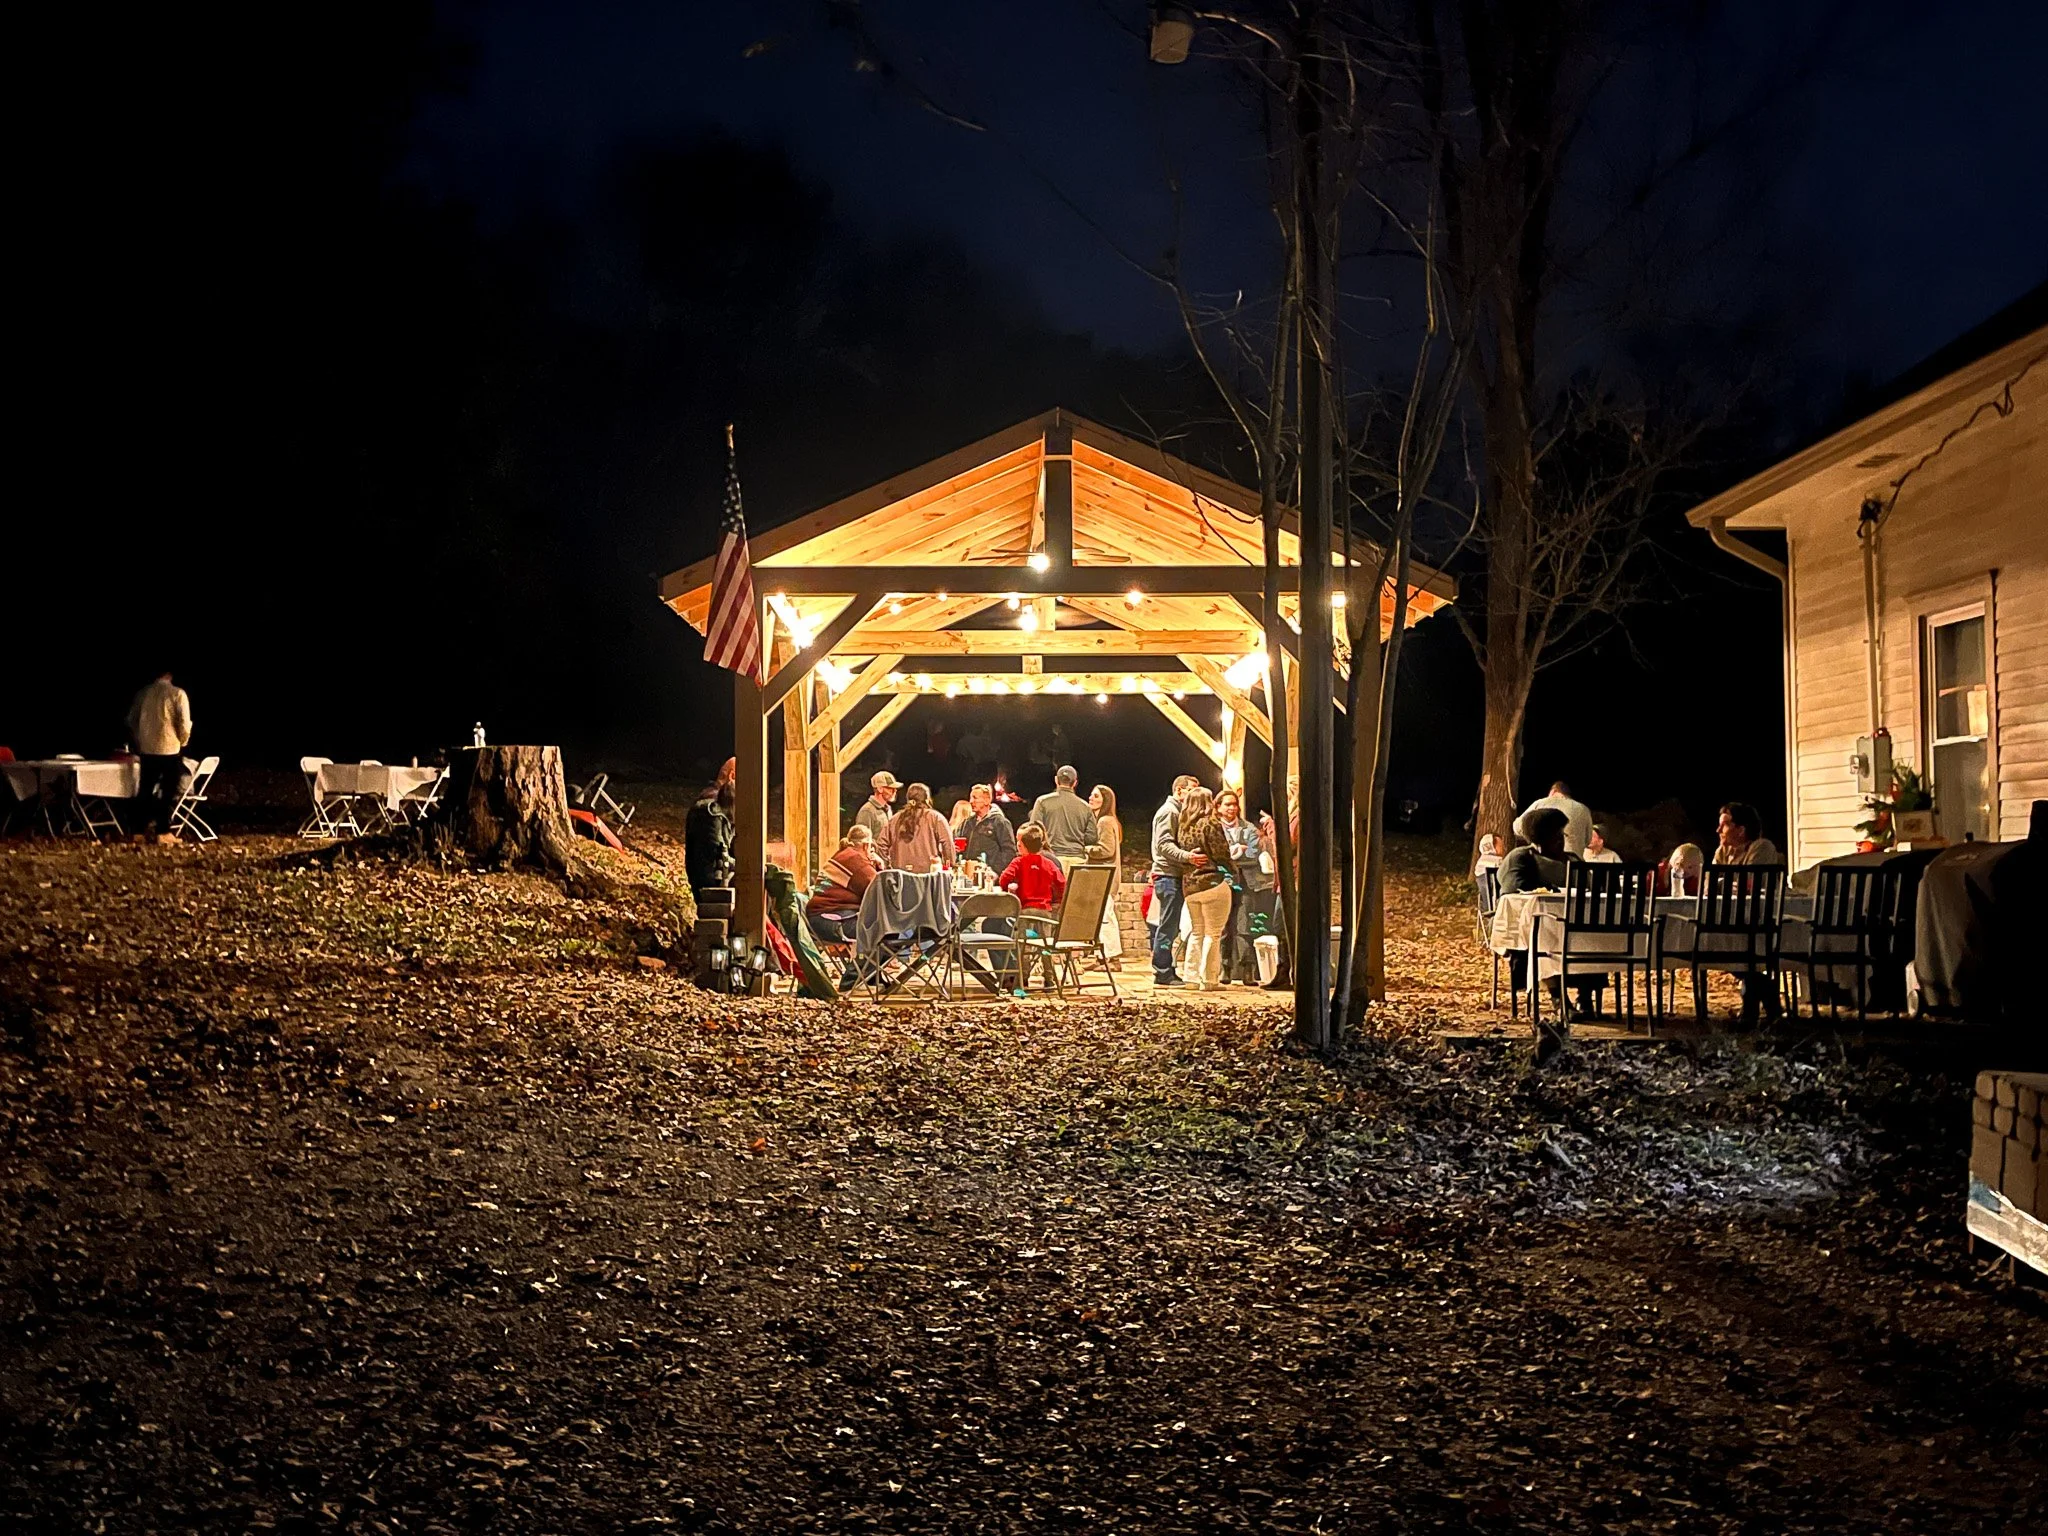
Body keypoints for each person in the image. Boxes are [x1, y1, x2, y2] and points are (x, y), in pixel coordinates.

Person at [1176, 787, 1236, 991]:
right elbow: (1221, 852)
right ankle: (1209, 980)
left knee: (1196, 931)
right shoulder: (1210, 823)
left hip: (1190, 886)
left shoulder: (1183, 826)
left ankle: (1191, 978)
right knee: (1213, 933)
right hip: (1211, 882)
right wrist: (1233, 871)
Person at [125, 671, 194, 840]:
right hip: (169, 748)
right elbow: (184, 722)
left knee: (145, 790)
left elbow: (131, 720)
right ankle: (163, 830)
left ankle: (138, 830)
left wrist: (139, 739)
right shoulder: (177, 693)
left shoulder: (143, 693)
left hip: (147, 749)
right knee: (168, 790)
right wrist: (182, 741)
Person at [1149, 774, 1203, 986]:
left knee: (1170, 926)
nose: (1194, 796)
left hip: (1173, 875)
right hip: (1167, 876)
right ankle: (1162, 971)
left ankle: (1166, 969)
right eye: (1191, 790)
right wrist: (1188, 856)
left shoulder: (1176, 812)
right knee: (1167, 926)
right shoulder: (1169, 812)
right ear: (1179, 790)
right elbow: (1164, 845)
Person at [1216, 789, 1261, 984]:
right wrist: (1235, 850)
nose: (1232, 808)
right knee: (1225, 926)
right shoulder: (1215, 827)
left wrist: (1236, 854)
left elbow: (1253, 853)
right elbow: (1218, 854)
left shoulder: (1248, 828)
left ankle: (1247, 968)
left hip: (1247, 882)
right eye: (1227, 804)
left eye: (1234, 804)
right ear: (1218, 807)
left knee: (1245, 926)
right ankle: (1225, 967)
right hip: (1224, 881)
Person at [806, 826, 877, 943]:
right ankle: (872, 962)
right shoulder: (855, 860)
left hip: (821, 919)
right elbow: (880, 890)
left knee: (885, 928)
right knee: (889, 931)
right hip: (832, 921)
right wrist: (880, 866)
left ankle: (870, 961)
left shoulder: (844, 855)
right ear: (866, 846)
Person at [1028, 764, 1099, 864]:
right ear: (1075, 783)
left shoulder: (1042, 802)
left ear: (1056, 780)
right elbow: (1092, 837)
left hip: (1050, 860)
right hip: (1077, 860)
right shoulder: (1085, 807)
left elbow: (1034, 831)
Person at [876, 782, 954, 871]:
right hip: (928, 877)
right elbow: (948, 843)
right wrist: (949, 866)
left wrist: (886, 868)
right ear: (927, 800)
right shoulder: (936, 818)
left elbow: (881, 844)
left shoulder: (895, 819)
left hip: (900, 877)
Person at [1086, 784, 1124, 966]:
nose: (1091, 798)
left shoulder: (1105, 821)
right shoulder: (1107, 820)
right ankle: (1102, 957)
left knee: (1106, 917)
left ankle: (1112, 957)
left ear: (1105, 800)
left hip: (1105, 876)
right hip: (1104, 876)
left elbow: (1106, 850)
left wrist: (1086, 849)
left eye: (1096, 796)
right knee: (1102, 917)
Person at [998, 822, 1067, 913]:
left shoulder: (1018, 862)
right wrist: (1057, 903)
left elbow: (1004, 879)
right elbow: (1062, 886)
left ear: (1021, 846)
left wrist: (1009, 890)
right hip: (1045, 911)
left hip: (1024, 911)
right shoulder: (1049, 864)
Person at [684, 780, 735, 895]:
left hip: (717, 875)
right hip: (709, 880)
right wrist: (745, 866)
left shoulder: (725, 819)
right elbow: (719, 854)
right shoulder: (713, 817)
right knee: (755, 882)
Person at [1520, 780, 1593, 857]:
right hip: (1573, 862)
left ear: (1553, 792)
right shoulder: (1584, 809)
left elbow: (1518, 827)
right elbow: (1588, 840)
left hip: (1542, 860)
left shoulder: (1541, 803)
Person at [959, 782, 1017, 870]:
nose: (971, 801)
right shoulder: (968, 822)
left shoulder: (1000, 822)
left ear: (987, 801)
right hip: (967, 871)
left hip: (989, 874)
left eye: (975, 798)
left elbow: (1009, 851)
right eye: (970, 798)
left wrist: (996, 872)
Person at [1713, 802, 1782, 866]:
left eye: (1724, 825)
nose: (1718, 830)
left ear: (1741, 830)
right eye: (1719, 825)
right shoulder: (1722, 851)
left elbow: (1751, 878)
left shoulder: (1763, 847)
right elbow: (1710, 878)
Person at [853, 771, 900, 840]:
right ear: (880, 789)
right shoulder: (867, 811)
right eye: (890, 788)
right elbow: (861, 840)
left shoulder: (888, 809)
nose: (894, 791)